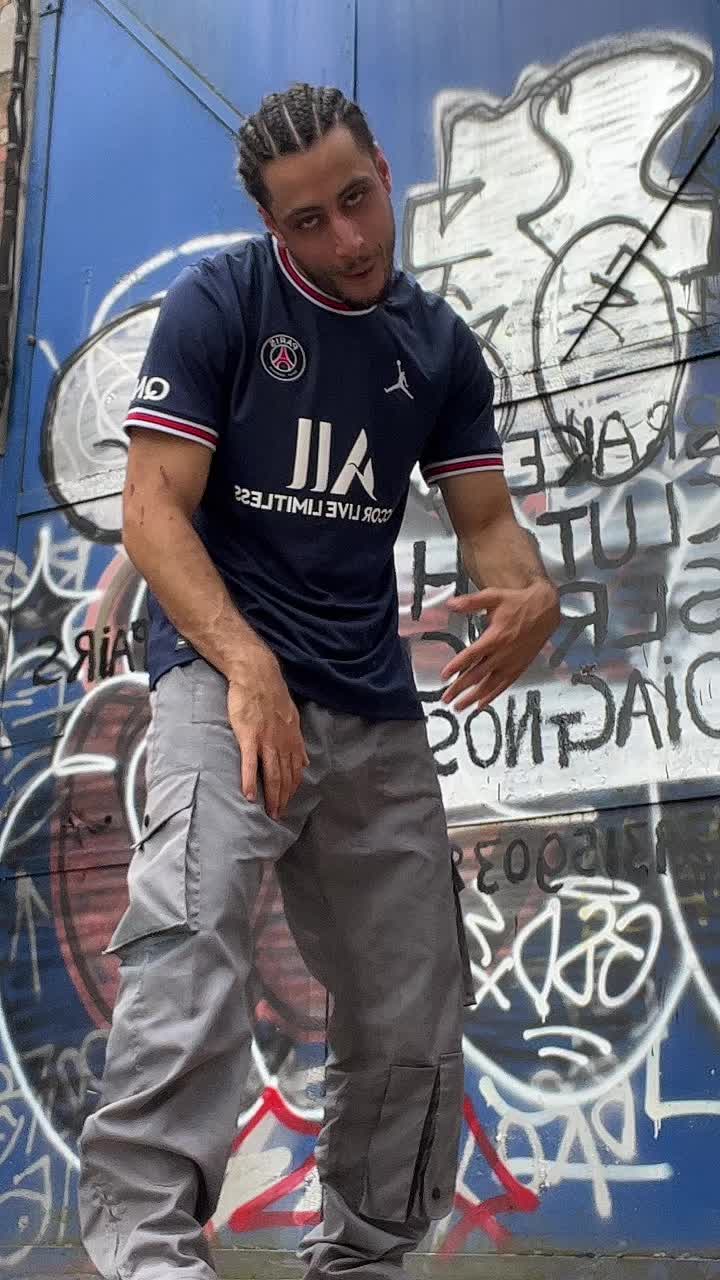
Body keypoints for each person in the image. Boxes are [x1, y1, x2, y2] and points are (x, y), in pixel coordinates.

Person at [78, 82, 560, 1280]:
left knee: (412, 998)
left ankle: (364, 1258)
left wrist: (530, 592)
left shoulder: (438, 348)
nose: (347, 238)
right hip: (221, 676)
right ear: (270, 225)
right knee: (189, 938)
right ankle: (149, 1254)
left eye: (357, 200)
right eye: (309, 221)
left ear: (384, 171)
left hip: (369, 700)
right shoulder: (222, 306)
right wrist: (246, 664)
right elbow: (151, 510)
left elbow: (487, 522)